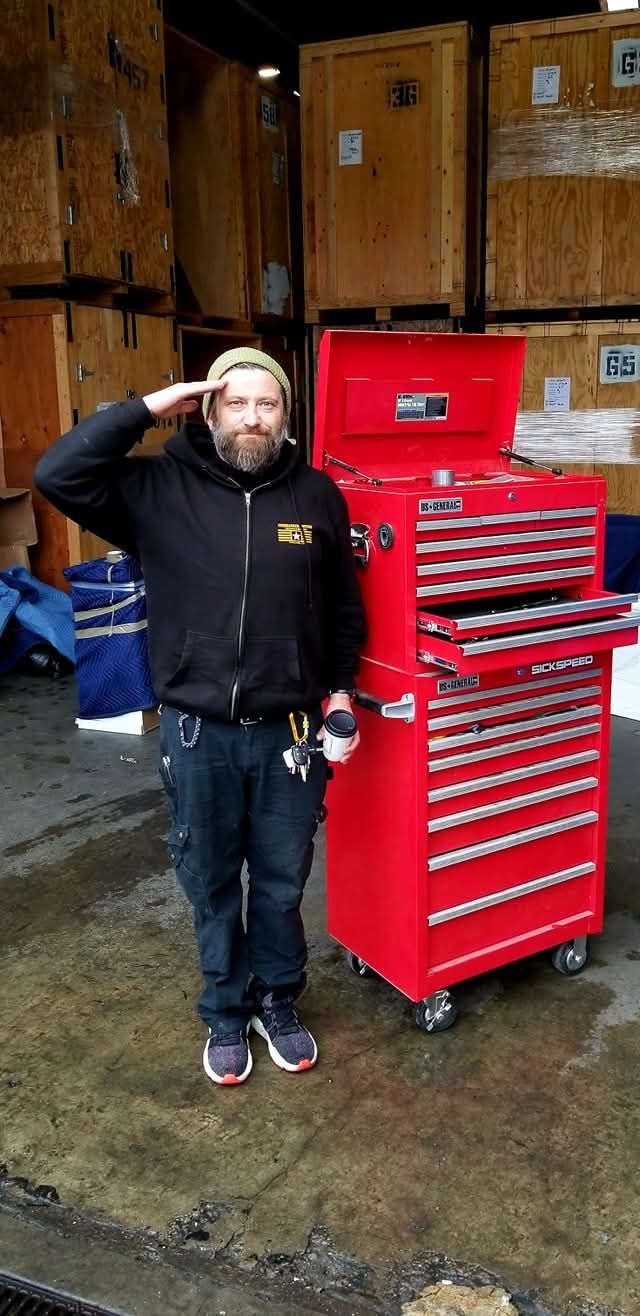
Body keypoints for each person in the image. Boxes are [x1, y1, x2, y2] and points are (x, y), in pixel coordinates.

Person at [35, 348, 365, 1087]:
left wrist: (339, 691)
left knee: (281, 885)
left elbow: (344, 606)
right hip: (196, 733)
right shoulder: (154, 488)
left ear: (287, 415)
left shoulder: (315, 496)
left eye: (268, 404)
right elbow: (58, 473)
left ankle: (277, 1001)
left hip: (290, 734)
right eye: (236, 403)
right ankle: (224, 1011)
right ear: (209, 412)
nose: (253, 418)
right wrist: (149, 408)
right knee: (211, 881)